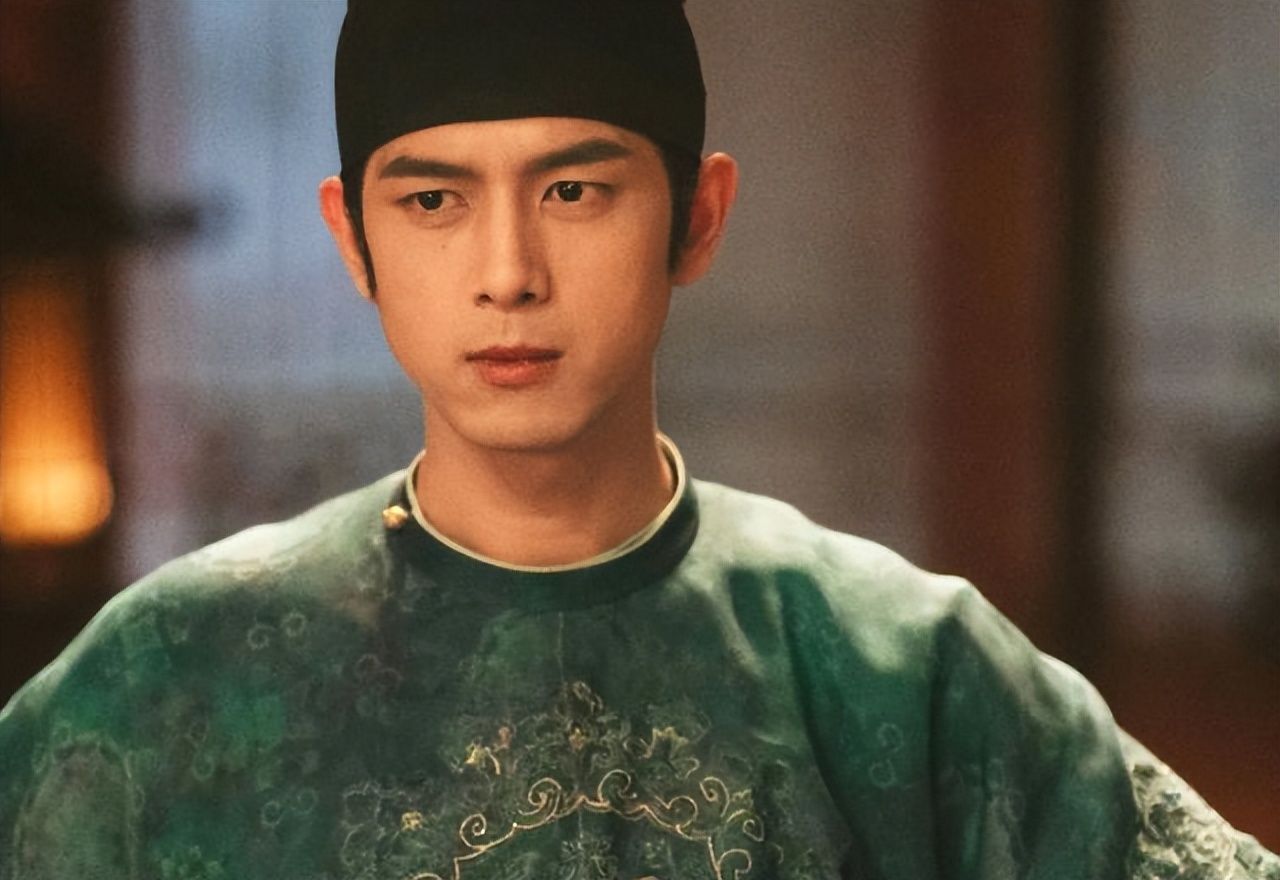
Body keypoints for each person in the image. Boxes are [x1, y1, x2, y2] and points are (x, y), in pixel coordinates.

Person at [1, 2, 1275, 878]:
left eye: (574, 190)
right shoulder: (174, 674)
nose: (508, 271)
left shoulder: (897, 666)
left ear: (697, 217)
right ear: (353, 239)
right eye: (434, 199)